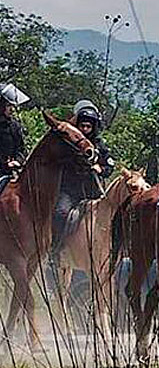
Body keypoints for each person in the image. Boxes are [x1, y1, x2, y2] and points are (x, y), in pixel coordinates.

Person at [49, 100, 114, 262]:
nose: (85, 129)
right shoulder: (69, 142)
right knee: (60, 213)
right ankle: (54, 249)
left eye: (88, 127)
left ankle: (116, 253)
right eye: (82, 126)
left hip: (94, 192)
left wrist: (100, 168)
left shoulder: (100, 145)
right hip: (70, 192)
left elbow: (110, 166)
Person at [0, 83, 29, 175]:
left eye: (12, 106)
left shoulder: (14, 125)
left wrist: (18, 161)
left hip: (10, 172)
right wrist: (4, 163)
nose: (12, 109)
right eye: (8, 105)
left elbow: (21, 148)